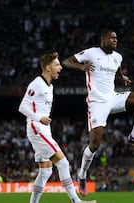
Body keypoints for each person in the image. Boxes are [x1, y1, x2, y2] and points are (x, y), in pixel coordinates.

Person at [62, 29, 134, 196]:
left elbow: (116, 68)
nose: (115, 40)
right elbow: (66, 62)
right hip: (97, 103)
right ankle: (82, 176)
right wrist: (81, 67)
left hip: (113, 97)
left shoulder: (118, 56)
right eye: (111, 37)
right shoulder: (91, 52)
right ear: (103, 39)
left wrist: (121, 78)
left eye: (116, 38)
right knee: (95, 145)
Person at [18, 52, 96, 203]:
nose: (60, 67)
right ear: (48, 67)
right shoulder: (37, 84)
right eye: (57, 64)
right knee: (63, 163)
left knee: (46, 171)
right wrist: (39, 117)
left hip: (43, 129)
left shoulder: (50, 86)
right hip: (36, 128)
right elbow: (23, 107)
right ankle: (76, 201)